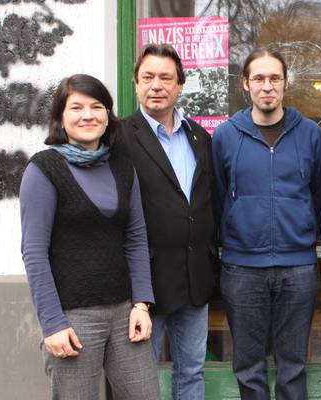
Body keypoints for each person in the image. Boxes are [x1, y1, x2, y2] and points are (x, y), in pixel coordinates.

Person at [20, 74, 160, 399]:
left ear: (107, 115)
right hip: (73, 317)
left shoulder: (123, 167)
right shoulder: (44, 169)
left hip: (125, 313)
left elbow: (136, 238)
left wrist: (141, 304)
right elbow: (34, 252)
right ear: (61, 117)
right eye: (76, 107)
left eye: (97, 107)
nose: (88, 115)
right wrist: (52, 323)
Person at [212, 48, 321, 400]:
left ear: (285, 82)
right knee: (248, 367)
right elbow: (218, 194)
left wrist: (301, 230)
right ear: (245, 84)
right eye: (259, 78)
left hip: (298, 268)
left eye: (274, 78)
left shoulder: (310, 134)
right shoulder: (225, 135)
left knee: (293, 366)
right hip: (242, 268)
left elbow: (318, 194)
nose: (267, 86)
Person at [120, 43, 217, 400]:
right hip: (144, 284)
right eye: (148, 77)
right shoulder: (119, 137)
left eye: (165, 78)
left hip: (194, 279)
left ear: (180, 86)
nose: (156, 85)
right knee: (139, 380)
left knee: (191, 372)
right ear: (136, 84)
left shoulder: (199, 136)